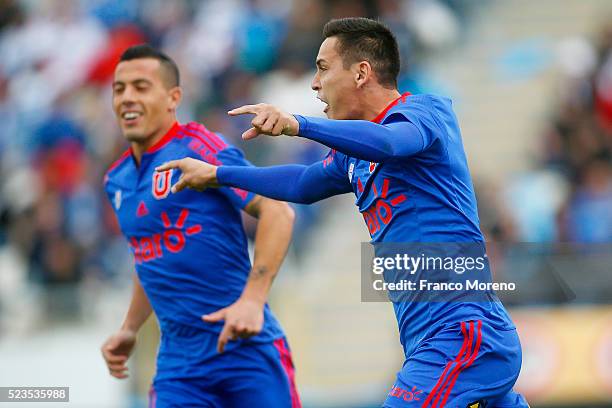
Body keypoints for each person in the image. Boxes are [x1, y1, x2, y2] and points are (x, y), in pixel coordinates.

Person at [157, 18, 530, 408]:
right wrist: (217, 174)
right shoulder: (352, 156)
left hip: (462, 333)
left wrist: (298, 125)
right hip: (431, 338)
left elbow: (388, 143)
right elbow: (302, 184)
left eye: (322, 68)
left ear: (361, 73)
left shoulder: (426, 113)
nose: (315, 84)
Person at [100, 44, 301, 408]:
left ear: (173, 97)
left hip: (246, 351)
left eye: (141, 87)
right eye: (119, 88)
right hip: (179, 367)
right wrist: (129, 328)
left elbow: (277, 211)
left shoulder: (199, 148)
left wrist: (253, 300)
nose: (127, 97)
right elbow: (148, 258)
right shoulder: (117, 180)